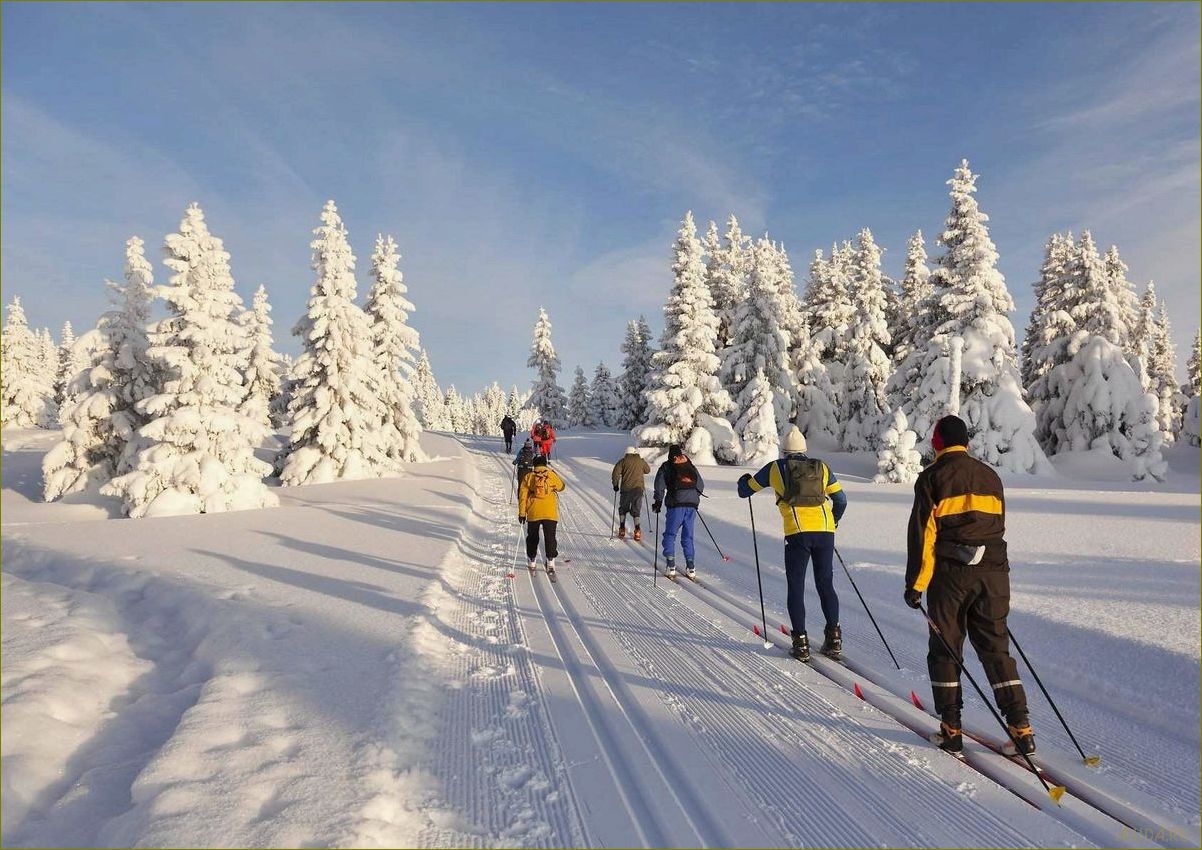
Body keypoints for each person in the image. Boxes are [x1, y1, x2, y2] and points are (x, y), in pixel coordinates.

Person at [903, 414, 1034, 757]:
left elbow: (923, 536)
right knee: (996, 649)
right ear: (967, 443)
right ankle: (1021, 729)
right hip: (995, 575)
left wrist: (916, 585)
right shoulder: (991, 476)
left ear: (937, 443)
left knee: (946, 649)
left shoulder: (932, 478)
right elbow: (996, 527)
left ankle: (951, 729)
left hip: (952, 577)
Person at [738, 426, 847, 663]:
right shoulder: (822, 468)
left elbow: (745, 491)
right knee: (825, 584)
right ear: (804, 450)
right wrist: (833, 522)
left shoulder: (775, 468)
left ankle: (801, 643)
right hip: (825, 531)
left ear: (784, 451)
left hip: (797, 533)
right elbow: (841, 500)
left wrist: (743, 480)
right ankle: (834, 639)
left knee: (796, 586)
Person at [651, 444, 704, 579]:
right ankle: (691, 567)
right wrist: (692, 497)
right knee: (688, 536)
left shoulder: (666, 466)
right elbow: (700, 485)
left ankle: (671, 566)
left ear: (670, 455)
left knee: (670, 534)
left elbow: (659, 485)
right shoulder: (689, 464)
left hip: (676, 505)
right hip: (691, 506)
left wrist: (658, 501)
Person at [518, 454, 566, 575]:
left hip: (534, 511)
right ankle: (550, 562)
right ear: (545, 464)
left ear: (534, 464)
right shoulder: (550, 474)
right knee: (550, 537)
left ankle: (532, 561)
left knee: (532, 537)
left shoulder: (529, 476)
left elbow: (523, 496)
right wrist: (554, 475)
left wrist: (522, 513)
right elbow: (561, 487)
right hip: (550, 512)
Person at [611, 447, 651, 540]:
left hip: (626, 489)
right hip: (638, 489)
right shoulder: (640, 461)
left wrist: (615, 485)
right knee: (636, 509)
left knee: (623, 509)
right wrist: (641, 463)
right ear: (634, 453)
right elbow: (647, 470)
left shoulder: (622, 461)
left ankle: (622, 529)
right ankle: (637, 531)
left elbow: (615, 473)